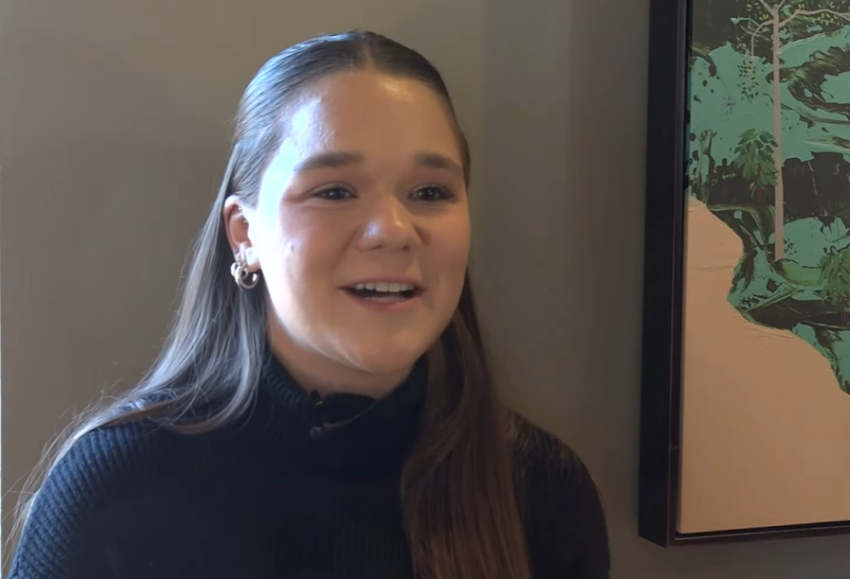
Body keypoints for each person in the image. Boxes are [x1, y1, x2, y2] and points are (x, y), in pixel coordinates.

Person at [5, 30, 610, 579]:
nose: (393, 231)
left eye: (430, 192)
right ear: (245, 235)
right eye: (334, 191)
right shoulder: (115, 489)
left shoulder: (541, 489)